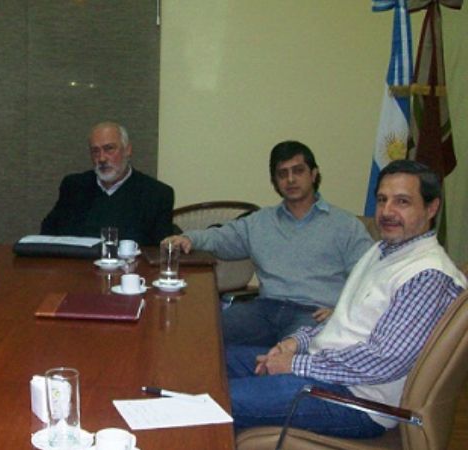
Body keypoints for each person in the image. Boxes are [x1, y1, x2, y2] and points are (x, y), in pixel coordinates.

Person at [227, 160, 467, 438]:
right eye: (382, 200)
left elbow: (383, 361)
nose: (387, 211)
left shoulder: (427, 275)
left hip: (357, 401)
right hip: (326, 373)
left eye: (402, 202)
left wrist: (294, 364)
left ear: (432, 207)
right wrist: (298, 341)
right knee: (217, 363)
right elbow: (346, 320)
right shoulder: (383, 250)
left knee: (218, 400)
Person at [164, 141, 373, 345]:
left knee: (296, 357)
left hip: (313, 314)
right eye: (282, 174)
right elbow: (222, 237)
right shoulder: (261, 221)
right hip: (264, 310)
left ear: (314, 174)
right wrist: (188, 238)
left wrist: (343, 310)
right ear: (275, 182)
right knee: (197, 331)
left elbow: (370, 276)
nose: (290, 179)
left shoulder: (345, 225)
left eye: (298, 171)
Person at [40, 121, 174, 246]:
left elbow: (161, 252)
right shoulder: (74, 187)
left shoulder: (157, 194)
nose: (102, 158)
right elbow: (47, 235)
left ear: (127, 150)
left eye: (109, 149)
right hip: (74, 269)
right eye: (95, 151)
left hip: (130, 270)